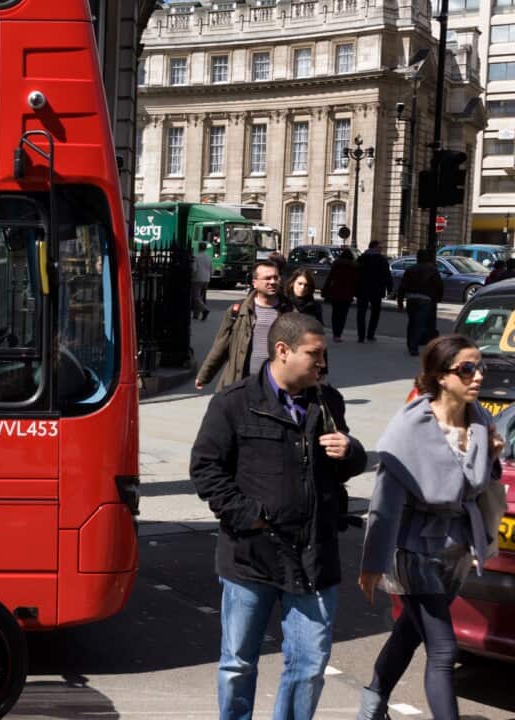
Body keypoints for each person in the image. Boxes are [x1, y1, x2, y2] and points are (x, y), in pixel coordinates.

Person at [190, 311, 367, 720]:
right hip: (251, 557)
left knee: (308, 668)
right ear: (283, 351)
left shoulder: (328, 401)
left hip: (313, 559)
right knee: (238, 664)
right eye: (314, 354)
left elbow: (339, 467)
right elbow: (205, 468)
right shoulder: (234, 403)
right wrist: (246, 515)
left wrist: (351, 451)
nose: (322, 363)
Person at [356, 335, 503, 720]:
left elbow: (480, 484)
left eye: (480, 367)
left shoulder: (482, 421)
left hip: (457, 546)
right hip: (414, 547)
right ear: (440, 376)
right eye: (467, 369)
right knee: (443, 650)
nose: (478, 376)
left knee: (409, 629)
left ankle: (371, 703)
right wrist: (372, 564)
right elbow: (384, 503)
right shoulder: (411, 427)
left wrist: (494, 458)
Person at [196, 260, 293, 392]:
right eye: (267, 278)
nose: (272, 282)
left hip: (276, 385)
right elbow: (221, 345)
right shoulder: (237, 311)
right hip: (241, 382)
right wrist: (204, 375)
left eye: (276, 277)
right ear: (255, 283)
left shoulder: (290, 311)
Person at [397, 249, 444, 357]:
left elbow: (402, 287)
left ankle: (410, 344)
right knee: (420, 323)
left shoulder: (410, 269)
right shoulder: (433, 270)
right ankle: (413, 347)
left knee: (412, 322)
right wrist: (437, 298)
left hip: (411, 298)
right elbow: (439, 286)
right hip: (425, 299)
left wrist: (400, 302)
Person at [355, 240, 393, 343]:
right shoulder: (381, 259)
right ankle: (370, 334)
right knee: (375, 313)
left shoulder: (362, 258)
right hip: (376, 289)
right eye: (379, 247)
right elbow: (387, 275)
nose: (381, 249)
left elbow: (356, 274)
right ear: (374, 247)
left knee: (361, 312)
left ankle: (361, 335)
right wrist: (390, 288)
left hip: (362, 288)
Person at [321, 248, 358, 343]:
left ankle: (335, 333)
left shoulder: (337, 264)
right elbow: (355, 281)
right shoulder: (353, 267)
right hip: (347, 293)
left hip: (336, 292)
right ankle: (339, 334)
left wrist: (325, 290)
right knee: (343, 315)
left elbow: (330, 278)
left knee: (335, 313)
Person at [192, 241, 213, 322]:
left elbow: (194, 269)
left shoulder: (196, 257)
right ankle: (196, 314)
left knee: (195, 297)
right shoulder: (209, 257)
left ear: (199, 247)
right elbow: (211, 270)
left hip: (197, 279)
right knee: (201, 297)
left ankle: (204, 310)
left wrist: (191, 276)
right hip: (206, 279)